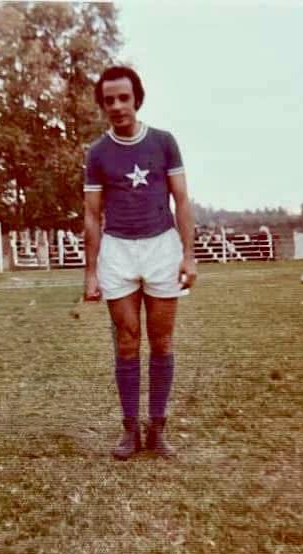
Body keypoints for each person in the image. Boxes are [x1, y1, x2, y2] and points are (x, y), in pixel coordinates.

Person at [83, 65, 197, 460]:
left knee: (162, 340)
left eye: (124, 98)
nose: (117, 106)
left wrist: (188, 255)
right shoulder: (97, 153)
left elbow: (181, 200)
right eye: (109, 100)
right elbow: (92, 215)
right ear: (102, 105)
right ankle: (130, 429)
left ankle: (157, 428)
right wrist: (91, 272)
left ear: (137, 99)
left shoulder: (163, 142)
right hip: (117, 251)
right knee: (128, 341)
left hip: (162, 247)